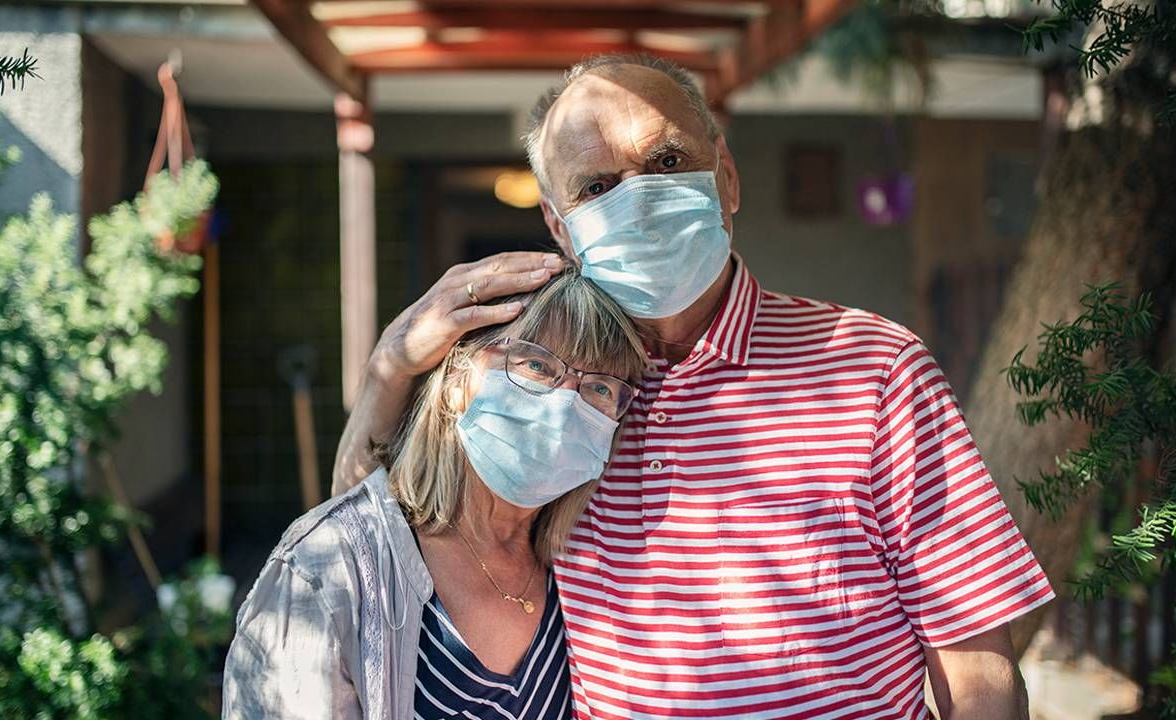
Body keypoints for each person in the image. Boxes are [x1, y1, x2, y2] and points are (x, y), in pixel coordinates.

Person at [333, 55, 1053, 720]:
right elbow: (366, 540)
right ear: (561, 226)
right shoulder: (547, 393)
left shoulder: (873, 369)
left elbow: (977, 668)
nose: (638, 200)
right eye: (596, 187)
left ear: (727, 179)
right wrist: (389, 369)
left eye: (667, 161)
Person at [223, 268, 648, 719]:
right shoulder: (328, 564)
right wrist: (388, 366)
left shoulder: (582, 572)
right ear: (455, 381)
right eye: (537, 365)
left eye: (599, 387)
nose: (566, 403)